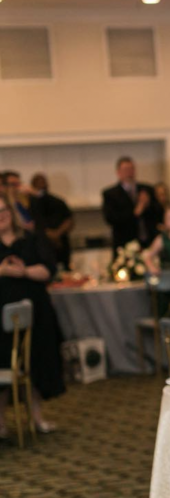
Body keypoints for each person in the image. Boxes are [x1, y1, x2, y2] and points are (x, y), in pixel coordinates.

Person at [0, 192, 64, 439]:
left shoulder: (31, 239)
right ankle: (1, 424)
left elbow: (48, 270)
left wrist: (22, 271)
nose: (2, 216)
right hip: (1, 315)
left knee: (35, 361)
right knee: (3, 363)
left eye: (5, 210)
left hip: (35, 310)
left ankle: (37, 418)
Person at [101, 156, 164, 252]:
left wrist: (147, 205)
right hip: (125, 242)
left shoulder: (147, 189)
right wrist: (137, 210)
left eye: (131, 169)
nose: (129, 173)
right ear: (118, 172)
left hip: (149, 241)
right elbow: (111, 218)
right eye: (126, 169)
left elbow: (160, 213)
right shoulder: (110, 194)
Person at [29, 173, 74, 269]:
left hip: (61, 244)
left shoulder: (57, 201)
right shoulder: (28, 204)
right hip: (40, 247)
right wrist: (50, 234)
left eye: (43, 183)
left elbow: (69, 220)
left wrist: (57, 234)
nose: (41, 186)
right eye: (38, 183)